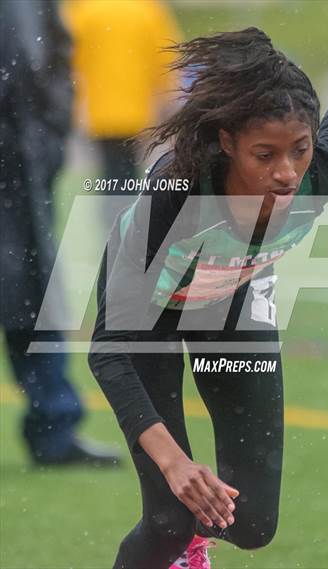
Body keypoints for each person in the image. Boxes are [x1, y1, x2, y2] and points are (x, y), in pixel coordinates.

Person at [88, 28, 328, 568]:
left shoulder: (322, 169)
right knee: (168, 521)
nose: (285, 174)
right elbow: (108, 350)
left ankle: (195, 542)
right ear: (227, 143)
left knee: (250, 524)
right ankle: (179, 543)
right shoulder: (176, 193)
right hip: (149, 319)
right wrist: (175, 464)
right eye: (264, 154)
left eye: (298, 150)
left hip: (229, 301)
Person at [0, 0, 121, 467]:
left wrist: (51, 131)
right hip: (20, 153)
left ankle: (54, 426)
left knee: (35, 293)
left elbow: (55, 54)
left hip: (24, 162)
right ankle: (53, 422)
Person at [64, 0, 183, 229]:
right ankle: (129, 222)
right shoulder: (147, 11)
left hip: (99, 111)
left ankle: (113, 223)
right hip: (138, 110)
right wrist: (166, 100)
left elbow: (70, 59)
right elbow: (165, 59)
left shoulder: (83, 11)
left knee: (111, 171)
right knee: (127, 170)